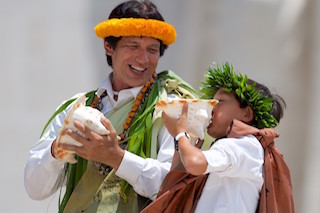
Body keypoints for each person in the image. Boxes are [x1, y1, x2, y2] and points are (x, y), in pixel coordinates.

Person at [24, 1, 198, 212]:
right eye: (133, 46)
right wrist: (57, 150)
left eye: (152, 49)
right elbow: (35, 189)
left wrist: (116, 157)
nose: (143, 59)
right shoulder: (78, 108)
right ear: (109, 46)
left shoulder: (173, 108)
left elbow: (175, 185)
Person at [142, 62, 294, 213]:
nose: (211, 107)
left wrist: (180, 133)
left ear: (247, 114)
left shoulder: (244, 144)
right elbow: (176, 179)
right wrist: (183, 141)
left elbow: (194, 163)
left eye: (220, 102)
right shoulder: (240, 147)